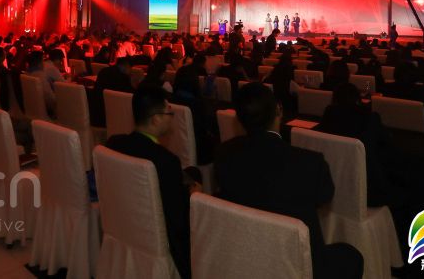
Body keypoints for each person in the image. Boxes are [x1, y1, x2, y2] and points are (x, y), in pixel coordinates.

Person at [215, 83, 363, 279]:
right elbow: (325, 196)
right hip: (302, 264)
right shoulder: (309, 163)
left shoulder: (224, 153)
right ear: (279, 109)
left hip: (249, 253)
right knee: (352, 256)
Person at [106, 86, 200, 279]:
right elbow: (178, 219)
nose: (171, 118)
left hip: (126, 220)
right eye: (169, 113)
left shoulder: (114, 144)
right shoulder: (166, 161)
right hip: (160, 237)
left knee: (192, 173)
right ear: (156, 119)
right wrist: (193, 197)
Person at [91, 56, 134, 127]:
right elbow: (130, 95)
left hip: (97, 114)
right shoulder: (123, 77)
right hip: (114, 117)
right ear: (126, 66)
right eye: (130, 69)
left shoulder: (103, 71)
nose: (130, 72)